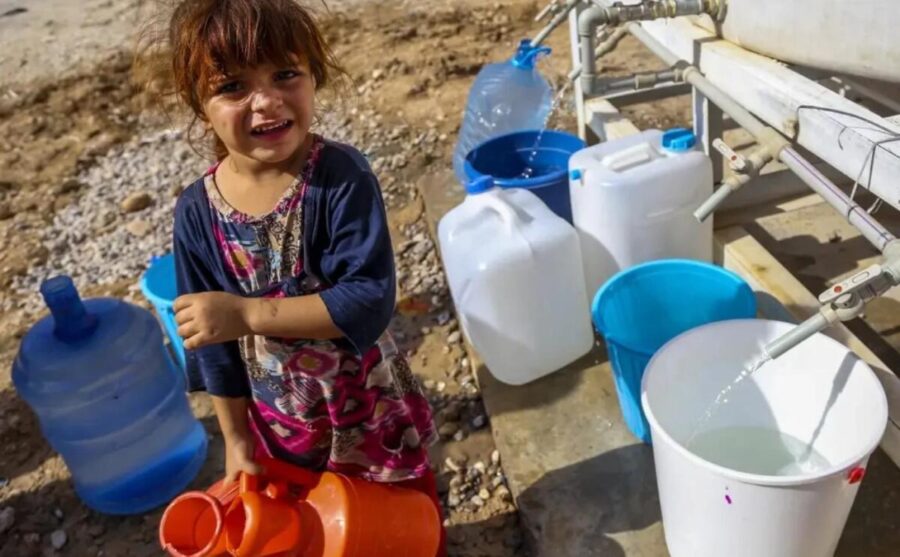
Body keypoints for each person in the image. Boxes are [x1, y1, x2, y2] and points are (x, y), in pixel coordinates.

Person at [155, 0, 444, 551]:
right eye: (233, 86)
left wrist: (244, 314)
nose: (265, 101)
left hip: (364, 403)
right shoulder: (197, 212)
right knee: (314, 525)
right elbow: (209, 345)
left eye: (285, 74)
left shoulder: (339, 179)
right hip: (280, 418)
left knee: (401, 517)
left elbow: (367, 300)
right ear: (200, 105)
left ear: (315, 76)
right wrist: (237, 441)